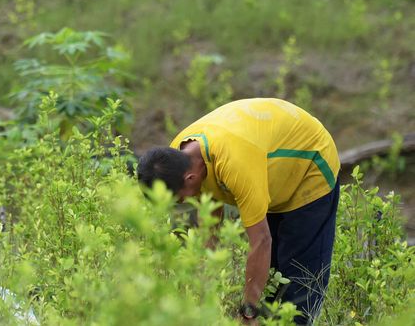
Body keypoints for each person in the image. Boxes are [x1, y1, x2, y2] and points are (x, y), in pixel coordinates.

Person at [136, 98, 340, 325]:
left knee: (300, 281)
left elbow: (261, 241)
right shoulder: (178, 156)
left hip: (309, 161)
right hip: (267, 163)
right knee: (272, 279)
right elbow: (209, 229)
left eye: (180, 198)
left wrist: (248, 311)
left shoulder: (235, 164)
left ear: (190, 178)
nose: (185, 201)